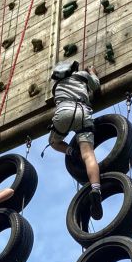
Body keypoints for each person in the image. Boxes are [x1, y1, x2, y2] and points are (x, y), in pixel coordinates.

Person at [48, 60, 103, 220]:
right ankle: (96, 189)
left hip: (63, 113)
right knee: (88, 155)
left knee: (53, 142)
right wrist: (92, 72)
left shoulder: (56, 87)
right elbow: (96, 85)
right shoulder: (81, 76)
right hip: (81, 111)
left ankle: (71, 152)